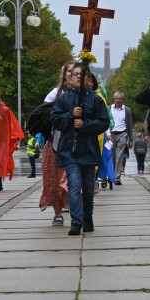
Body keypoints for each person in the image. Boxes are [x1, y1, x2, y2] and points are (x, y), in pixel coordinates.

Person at [51, 65, 110, 236]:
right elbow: (55, 120)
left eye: (81, 75)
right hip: (70, 150)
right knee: (74, 185)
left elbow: (103, 122)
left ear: (88, 79)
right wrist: (70, 115)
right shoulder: (64, 99)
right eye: (75, 74)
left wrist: (85, 125)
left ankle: (87, 217)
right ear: (70, 78)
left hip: (89, 150)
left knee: (88, 187)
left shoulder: (96, 99)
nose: (78, 77)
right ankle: (76, 221)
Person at [40, 61, 76, 226]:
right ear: (64, 75)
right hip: (55, 143)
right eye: (69, 71)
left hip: (76, 145)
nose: (72, 74)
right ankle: (58, 213)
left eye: (75, 72)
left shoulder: (84, 94)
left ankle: (74, 209)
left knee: (71, 180)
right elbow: (43, 116)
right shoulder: (55, 94)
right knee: (53, 180)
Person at [109, 92, 133, 185]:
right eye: (117, 98)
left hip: (122, 134)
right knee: (112, 156)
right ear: (114, 99)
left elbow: (129, 125)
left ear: (123, 99)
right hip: (111, 135)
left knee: (119, 156)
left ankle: (117, 176)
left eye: (120, 99)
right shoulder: (110, 108)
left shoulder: (127, 110)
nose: (118, 100)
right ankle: (111, 175)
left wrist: (130, 140)